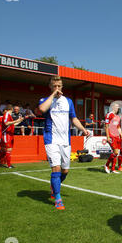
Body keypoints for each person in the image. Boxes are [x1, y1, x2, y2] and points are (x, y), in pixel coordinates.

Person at [38, 76, 89, 210]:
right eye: (54, 86)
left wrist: (83, 129)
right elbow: (42, 109)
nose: (57, 88)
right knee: (56, 168)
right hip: (51, 140)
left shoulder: (68, 101)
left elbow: (73, 118)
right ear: (50, 87)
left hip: (65, 141)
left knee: (65, 171)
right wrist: (53, 95)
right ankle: (58, 198)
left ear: (62, 87)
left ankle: (54, 185)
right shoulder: (45, 100)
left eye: (59, 86)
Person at [0, 104, 24, 169]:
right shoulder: (7, 114)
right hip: (7, 134)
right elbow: (6, 123)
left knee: (3, 149)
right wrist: (16, 120)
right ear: (11, 109)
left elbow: (12, 124)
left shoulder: (8, 115)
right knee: (8, 150)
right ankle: (9, 165)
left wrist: (19, 121)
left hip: (9, 134)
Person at [104, 102, 122, 174]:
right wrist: (108, 137)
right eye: (116, 106)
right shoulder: (109, 115)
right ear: (113, 107)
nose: (117, 108)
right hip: (111, 136)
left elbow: (118, 127)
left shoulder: (117, 116)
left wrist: (121, 135)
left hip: (117, 136)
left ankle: (113, 169)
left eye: (118, 107)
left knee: (116, 153)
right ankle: (106, 165)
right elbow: (106, 126)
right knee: (115, 152)